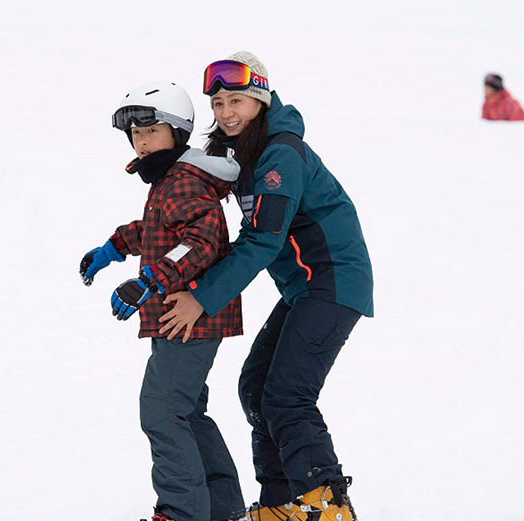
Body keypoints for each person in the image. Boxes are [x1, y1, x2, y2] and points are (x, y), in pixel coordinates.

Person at [158, 52, 374, 521]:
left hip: (333, 280)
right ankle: (281, 504)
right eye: (217, 104)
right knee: (257, 387)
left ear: (260, 98)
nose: (226, 112)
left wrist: (202, 297)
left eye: (236, 100)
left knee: (288, 395)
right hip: (305, 287)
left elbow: (262, 239)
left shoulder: (279, 153)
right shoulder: (241, 150)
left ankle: (325, 503)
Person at [79, 81, 246, 521]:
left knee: (161, 413)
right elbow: (158, 229)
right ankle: (222, 509)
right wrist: (114, 248)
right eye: (135, 134)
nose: (141, 140)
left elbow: (200, 241)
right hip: (184, 317)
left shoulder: (185, 181)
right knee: (186, 412)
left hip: (183, 316)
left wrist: (151, 280)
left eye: (151, 130)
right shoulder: (173, 180)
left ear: (178, 132)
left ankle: (182, 513)